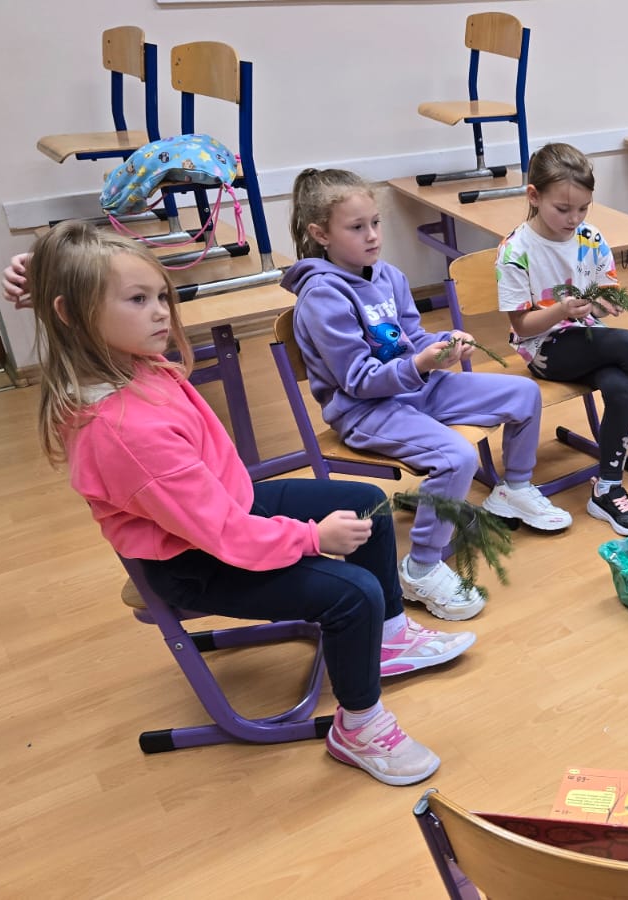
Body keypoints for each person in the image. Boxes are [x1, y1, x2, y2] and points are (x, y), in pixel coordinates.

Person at [27, 222, 472, 785]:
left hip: (223, 510)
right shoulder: (124, 432)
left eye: (161, 296)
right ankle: (358, 727)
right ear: (72, 314)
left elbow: (216, 511)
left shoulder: (129, 360)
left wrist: (43, 270)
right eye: (138, 300)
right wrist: (312, 539)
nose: (161, 312)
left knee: (367, 504)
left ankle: (385, 639)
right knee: (352, 593)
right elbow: (223, 536)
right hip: (191, 561)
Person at [285, 168, 571, 621]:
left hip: (416, 388)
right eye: (356, 227)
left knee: (522, 394)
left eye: (375, 222)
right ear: (321, 234)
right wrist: (419, 364)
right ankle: (420, 567)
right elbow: (357, 379)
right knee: (456, 458)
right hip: (365, 411)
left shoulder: (389, 276)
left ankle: (513, 489)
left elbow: (410, 337)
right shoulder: (323, 296)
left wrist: (442, 344)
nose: (372, 235)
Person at [496, 143, 628, 536]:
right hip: (544, 348)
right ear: (534, 196)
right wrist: (562, 310)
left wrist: (603, 303)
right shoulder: (516, 251)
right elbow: (522, 326)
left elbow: (604, 291)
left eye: (583, 208)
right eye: (563, 209)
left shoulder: (589, 237)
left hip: (587, 337)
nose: (574, 219)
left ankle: (607, 489)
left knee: (621, 388)